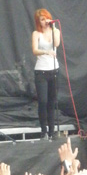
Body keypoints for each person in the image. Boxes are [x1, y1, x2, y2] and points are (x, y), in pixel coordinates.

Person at [32, 8, 60, 140]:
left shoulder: (56, 31)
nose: (44, 21)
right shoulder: (36, 34)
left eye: (45, 18)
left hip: (53, 70)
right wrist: (45, 52)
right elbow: (34, 50)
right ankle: (43, 130)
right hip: (41, 71)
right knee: (43, 101)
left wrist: (53, 28)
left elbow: (56, 44)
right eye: (41, 20)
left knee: (52, 102)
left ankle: (52, 131)